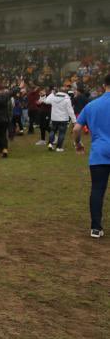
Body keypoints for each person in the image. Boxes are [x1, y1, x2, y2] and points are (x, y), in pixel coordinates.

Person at [73, 74, 110, 238]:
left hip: (99, 152)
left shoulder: (92, 105)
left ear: (103, 85)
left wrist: (78, 143)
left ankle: (95, 227)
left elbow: (76, 129)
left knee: (97, 189)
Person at [45, 85, 77, 152]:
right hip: (63, 119)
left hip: (54, 118)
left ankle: (50, 144)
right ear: (66, 92)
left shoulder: (53, 97)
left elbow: (46, 101)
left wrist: (51, 93)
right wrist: (74, 121)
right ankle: (59, 147)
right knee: (61, 133)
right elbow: (70, 111)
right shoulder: (67, 99)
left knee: (52, 131)